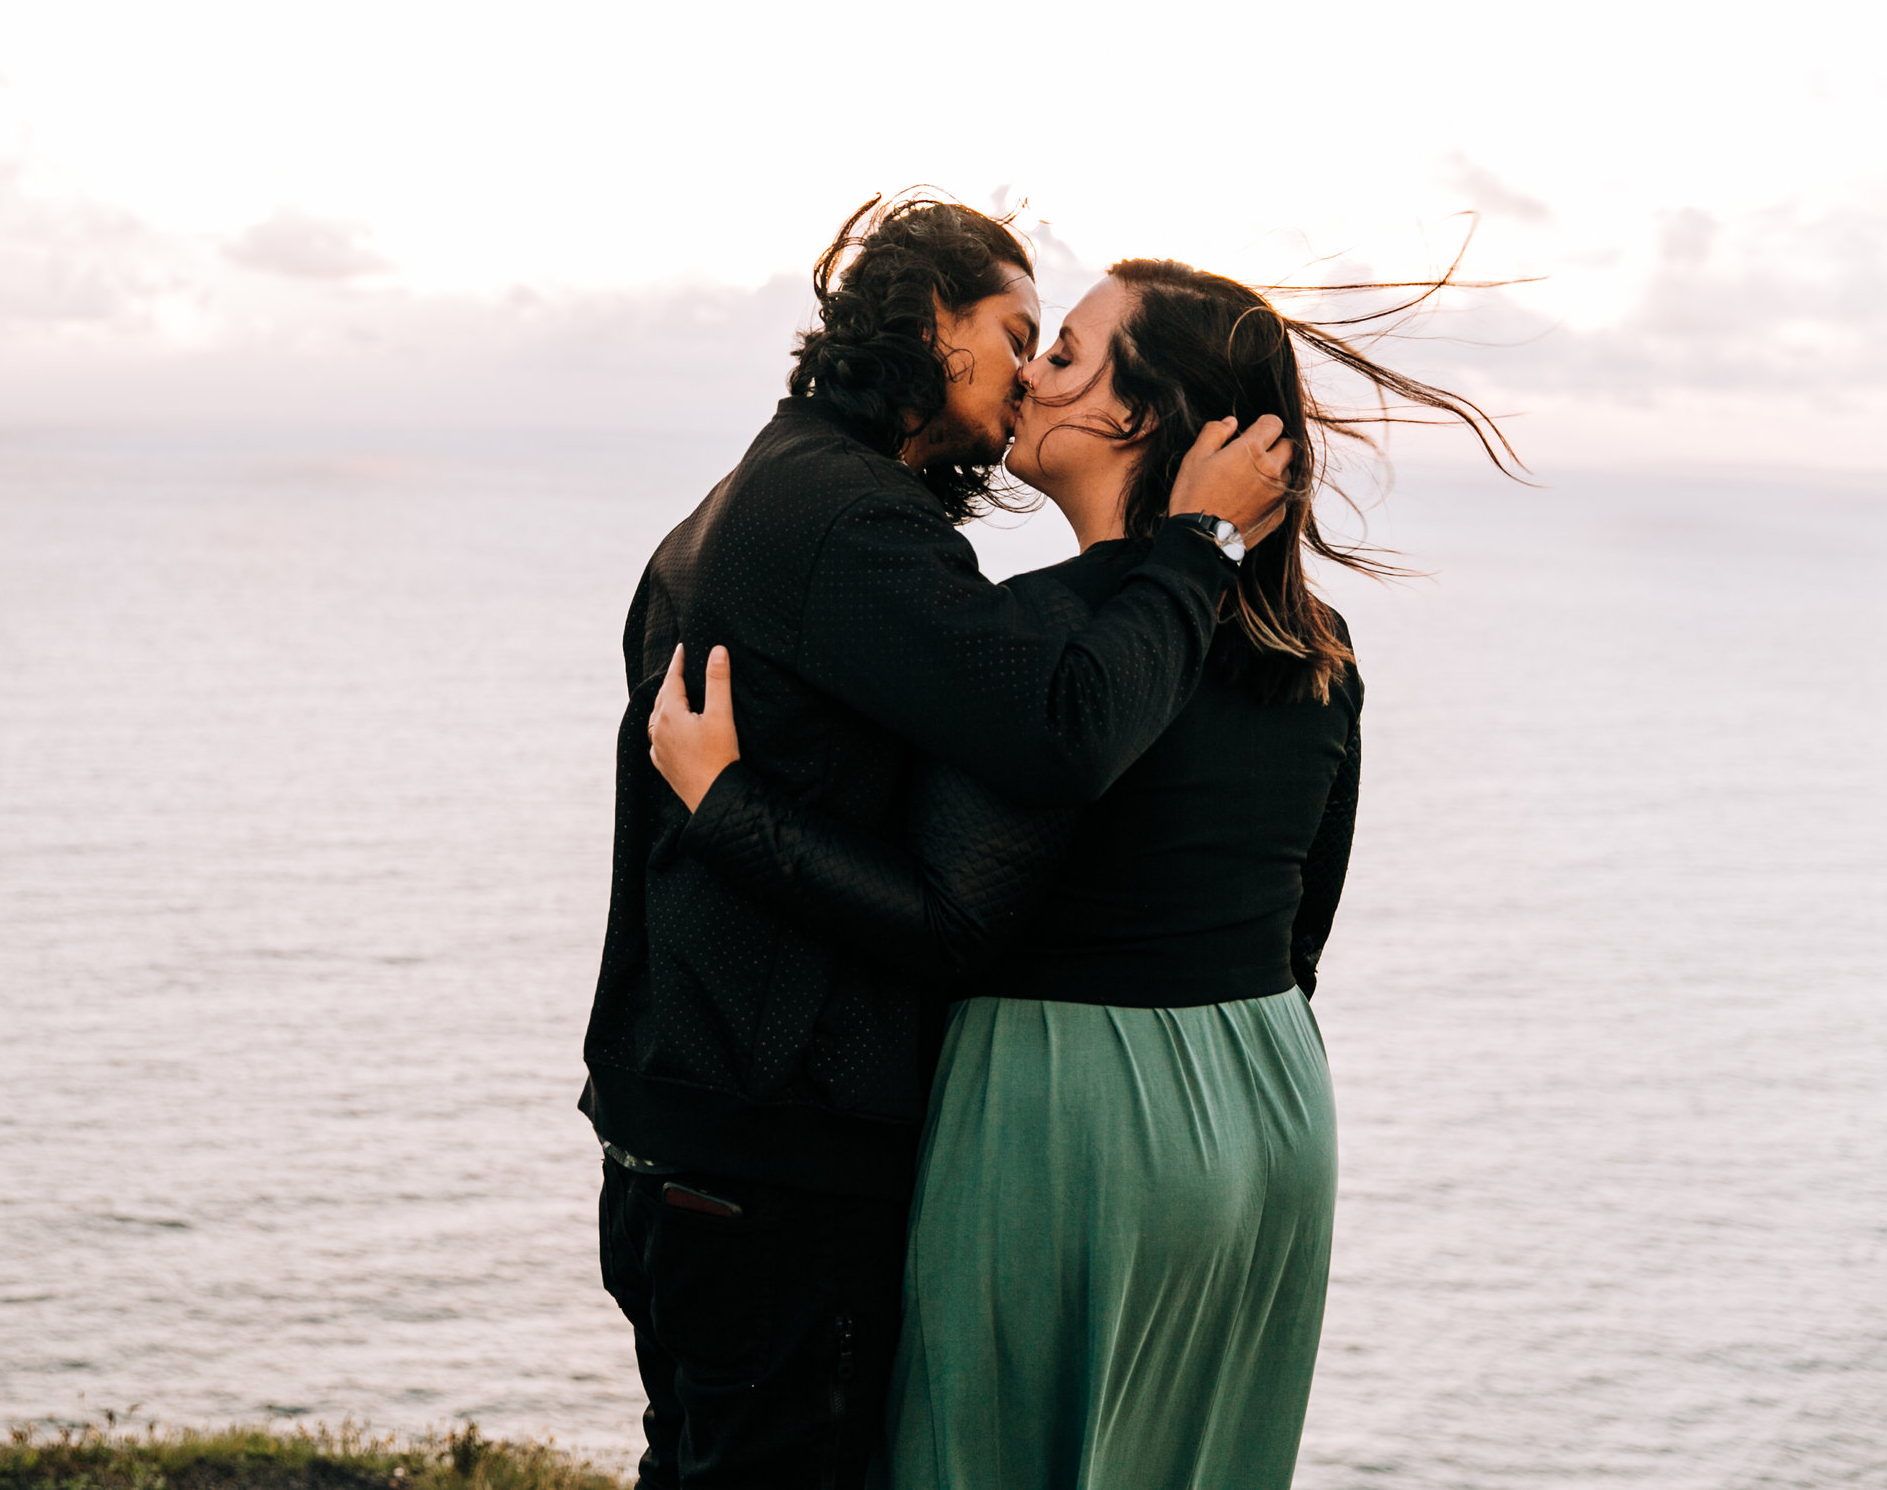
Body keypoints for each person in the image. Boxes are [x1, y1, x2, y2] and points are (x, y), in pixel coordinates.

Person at [646, 257, 1518, 1488]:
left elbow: (945, 922)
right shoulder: (1316, 649)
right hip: (1269, 1102)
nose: (1024, 378)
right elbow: (1304, 925)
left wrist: (728, 808)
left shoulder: (1048, 641)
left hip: (1069, 1113)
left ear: (1133, 416)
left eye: (1058, 353)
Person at [582, 198, 1294, 1489]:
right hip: (766, 1137)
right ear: (928, 326)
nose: (1030, 370)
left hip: (707, 1119)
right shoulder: (850, 522)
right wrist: (1196, 547)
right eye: (1018, 333)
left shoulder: (776, 489)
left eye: (1055, 348)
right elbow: (1058, 733)